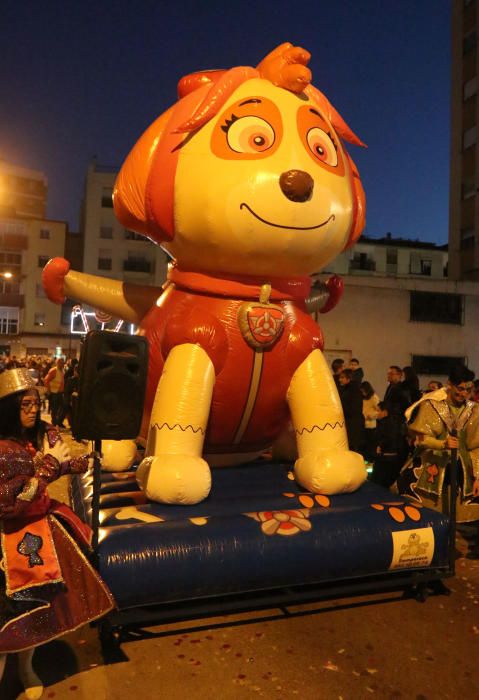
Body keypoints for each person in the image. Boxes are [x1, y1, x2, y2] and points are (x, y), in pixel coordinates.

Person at [0, 368, 114, 698]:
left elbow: (56, 465)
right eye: (25, 404)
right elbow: (11, 502)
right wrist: (47, 467)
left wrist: (81, 462)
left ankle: (26, 667)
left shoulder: (37, 436)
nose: (34, 409)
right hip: (9, 547)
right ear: (8, 408)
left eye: (36, 403)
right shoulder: (3, 451)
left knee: (38, 614)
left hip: (41, 537)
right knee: (7, 622)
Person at [396, 364, 479, 526]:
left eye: (467, 390)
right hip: (432, 465)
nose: (464, 394)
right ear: (449, 384)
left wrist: (478, 475)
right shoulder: (431, 406)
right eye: (460, 388)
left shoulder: (475, 411)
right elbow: (420, 438)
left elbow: (476, 445)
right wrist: (442, 444)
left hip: (463, 471)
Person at [370, 366, 412, 488]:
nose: (389, 376)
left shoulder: (402, 389)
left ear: (399, 375)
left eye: (392, 374)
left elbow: (404, 406)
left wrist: (389, 411)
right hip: (389, 424)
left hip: (395, 426)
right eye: (388, 374)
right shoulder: (391, 387)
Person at [338, 369, 365, 453]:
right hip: (351, 422)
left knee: (353, 447)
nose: (340, 379)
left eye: (342, 377)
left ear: (349, 379)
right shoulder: (347, 389)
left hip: (353, 423)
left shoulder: (353, 391)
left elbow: (353, 408)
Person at [360, 381, 380, 463]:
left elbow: (379, 411)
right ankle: (365, 460)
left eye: (363, 391)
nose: (362, 393)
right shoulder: (362, 398)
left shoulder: (374, 398)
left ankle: (371, 460)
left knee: (370, 444)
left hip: (371, 425)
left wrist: (371, 415)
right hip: (363, 424)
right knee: (364, 444)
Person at [43, 357, 65, 427]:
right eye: (61, 363)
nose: (62, 364)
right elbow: (46, 380)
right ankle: (54, 422)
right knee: (54, 408)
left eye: (63, 363)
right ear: (57, 363)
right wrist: (49, 391)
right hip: (54, 393)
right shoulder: (53, 370)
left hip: (60, 393)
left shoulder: (62, 370)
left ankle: (58, 421)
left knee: (62, 407)